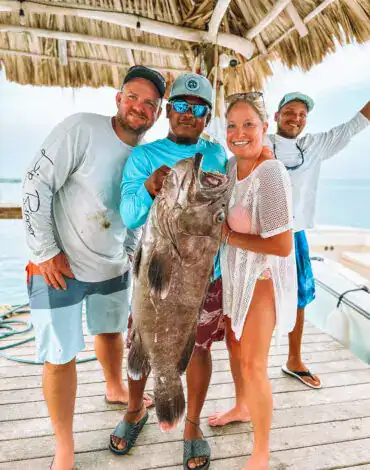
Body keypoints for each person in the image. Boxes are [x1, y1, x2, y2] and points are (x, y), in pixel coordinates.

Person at [22, 65, 165, 470]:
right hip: (58, 268)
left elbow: (135, 212)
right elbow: (34, 183)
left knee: (110, 333)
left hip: (113, 265)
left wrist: (133, 254)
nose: (140, 107)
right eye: (133, 97)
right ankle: (64, 446)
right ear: (118, 99)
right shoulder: (81, 129)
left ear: (157, 114)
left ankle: (115, 386)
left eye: (150, 103)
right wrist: (46, 251)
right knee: (60, 354)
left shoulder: (144, 155)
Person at [110, 73, 227, 470]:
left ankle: (192, 426)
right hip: (154, 271)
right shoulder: (144, 156)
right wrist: (148, 187)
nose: (188, 114)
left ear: (207, 116)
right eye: (180, 105)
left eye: (198, 109)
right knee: (140, 340)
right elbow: (129, 215)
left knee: (199, 347)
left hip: (203, 275)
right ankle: (133, 411)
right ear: (168, 112)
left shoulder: (218, 155)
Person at [208, 92, 297, 470]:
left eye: (248, 124)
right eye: (232, 125)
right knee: (234, 346)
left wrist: (228, 237)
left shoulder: (271, 173)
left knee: (254, 365)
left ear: (265, 127)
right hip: (235, 273)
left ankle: (261, 451)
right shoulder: (232, 166)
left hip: (262, 274)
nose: (239, 132)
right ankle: (243, 407)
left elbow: (281, 244)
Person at [268, 93, 370, 389]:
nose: (296, 118)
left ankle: (294, 360)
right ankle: (251, 363)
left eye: (301, 114)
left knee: (299, 298)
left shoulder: (315, 145)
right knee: (258, 299)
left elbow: (353, 125)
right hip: (260, 235)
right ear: (276, 116)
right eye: (289, 112)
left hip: (295, 234)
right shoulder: (261, 143)